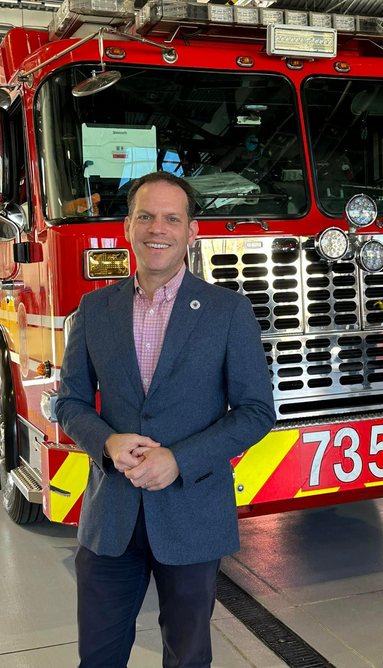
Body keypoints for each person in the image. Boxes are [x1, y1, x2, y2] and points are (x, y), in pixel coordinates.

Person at [56, 171, 276, 668]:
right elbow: (68, 401)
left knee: (188, 657)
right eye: (146, 216)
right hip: (110, 516)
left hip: (192, 515)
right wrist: (107, 443)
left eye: (172, 218)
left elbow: (257, 411)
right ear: (128, 228)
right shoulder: (94, 309)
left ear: (191, 232)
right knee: (98, 656)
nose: (159, 228)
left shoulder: (227, 312)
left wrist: (178, 459)